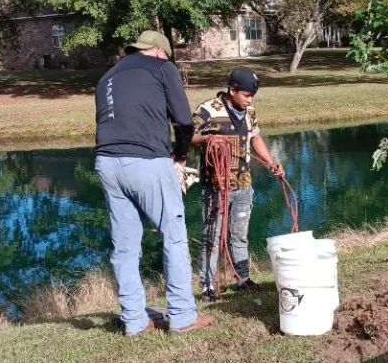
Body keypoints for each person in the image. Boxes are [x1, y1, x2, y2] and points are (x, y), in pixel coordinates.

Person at [94, 30, 212, 336]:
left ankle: (134, 320)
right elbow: (184, 122)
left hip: (107, 163)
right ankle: (183, 316)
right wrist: (181, 155)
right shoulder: (163, 67)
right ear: (160, 51)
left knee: (124, 245)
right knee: (173, 237)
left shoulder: (106, 77)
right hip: (146, 161)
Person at [191, 67, 285, 302]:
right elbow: (189, 138)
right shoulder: (208, 110)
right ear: (232, 90)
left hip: (243, 184)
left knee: (240, 235)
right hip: (216, 187)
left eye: (252, 95)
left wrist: (270, 162)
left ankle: (242, 279)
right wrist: (209, 138)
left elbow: (255, 138)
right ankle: (207, 286)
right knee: (211, 237)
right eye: (246, 95)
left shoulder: (249, 111)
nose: (250, 99)